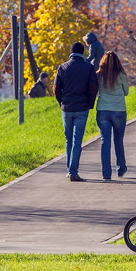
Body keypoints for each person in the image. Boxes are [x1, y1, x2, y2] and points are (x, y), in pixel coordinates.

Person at [54, 42, 99, 182]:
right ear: (83, 52)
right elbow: (93, 87)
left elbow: (56, 88)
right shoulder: (89, 67)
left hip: (66, 108)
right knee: (77, 141)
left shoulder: (62, 67)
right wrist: (90, 104)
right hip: (81, 108)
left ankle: (70, 170)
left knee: (68, 140)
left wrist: (61, 102)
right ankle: (73, 172)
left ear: (71, 52)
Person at [96, 51, 130, 180]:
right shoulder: (121, 75)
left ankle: (106, 174)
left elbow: (95, 92)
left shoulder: (99, 75)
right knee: (118, 140)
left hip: (103, 111)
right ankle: (121, 168)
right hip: (119, 111)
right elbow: (126, 92)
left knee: (105, 142)